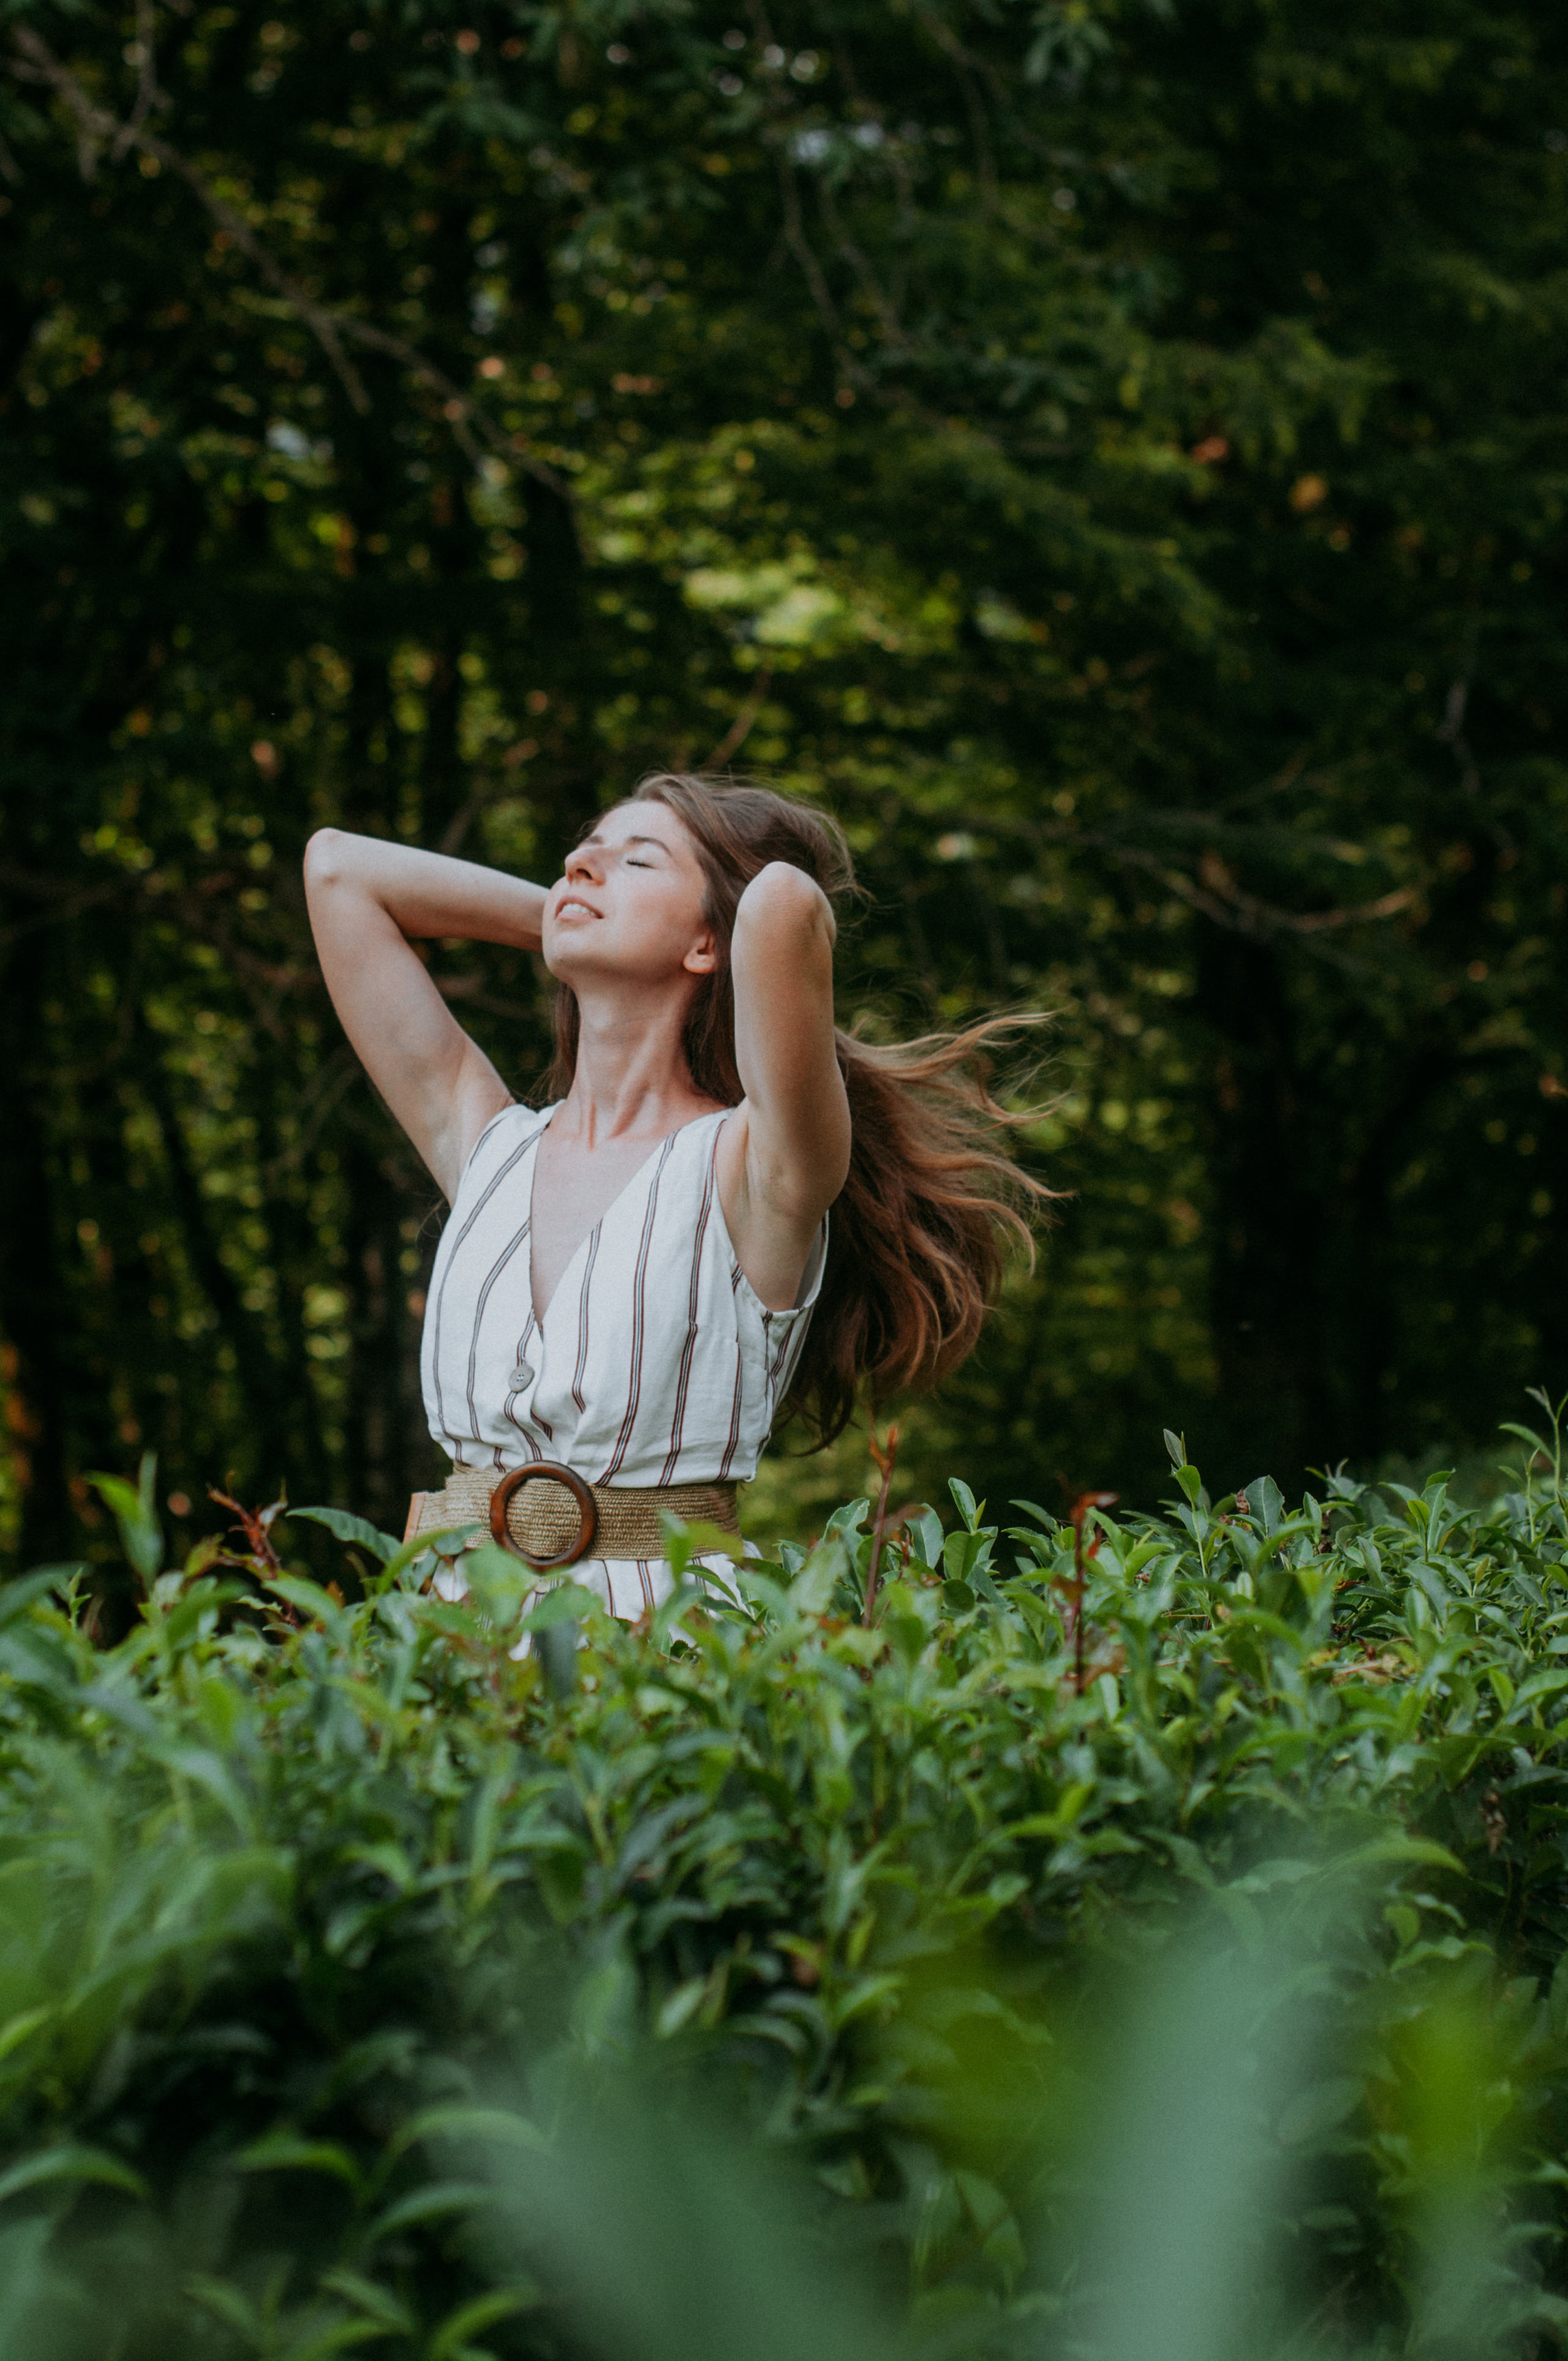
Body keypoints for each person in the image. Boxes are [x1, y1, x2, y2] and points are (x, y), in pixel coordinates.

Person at [303, 773, 1044, 1617]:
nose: (580, 863)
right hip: (455, 1640)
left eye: (635, 858)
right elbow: (338, 872)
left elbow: (782, 902)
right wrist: (575, 915)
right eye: (582, 850)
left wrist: (660, 925)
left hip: (668, 1655)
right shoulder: (487, 1145)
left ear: (708, 944)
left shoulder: (762, 1164)